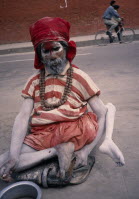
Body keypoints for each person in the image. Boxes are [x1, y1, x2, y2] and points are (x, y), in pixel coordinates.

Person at [0, 17, 125, 183]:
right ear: (40, 55)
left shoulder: (80, 77)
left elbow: (101, 114)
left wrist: (87, 151)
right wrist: (14, 157)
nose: (52, 55)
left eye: (56, 48)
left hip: (75, 132)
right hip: (44, 134)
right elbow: (23, 116)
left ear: (66, 49)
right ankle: (54, 151)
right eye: (46, 51)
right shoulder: (34, 80)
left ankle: (59, 151)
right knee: (6, 161)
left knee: (13, 160)